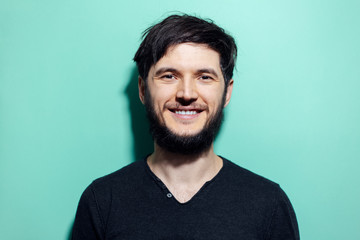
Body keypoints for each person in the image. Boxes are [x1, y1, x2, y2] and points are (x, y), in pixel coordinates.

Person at [72, 14, 300, 240]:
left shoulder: (269, 205)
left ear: (227, 92)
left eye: (204, 77)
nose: (187, 94)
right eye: (169, 76)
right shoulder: (101, 201)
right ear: (143, 90)